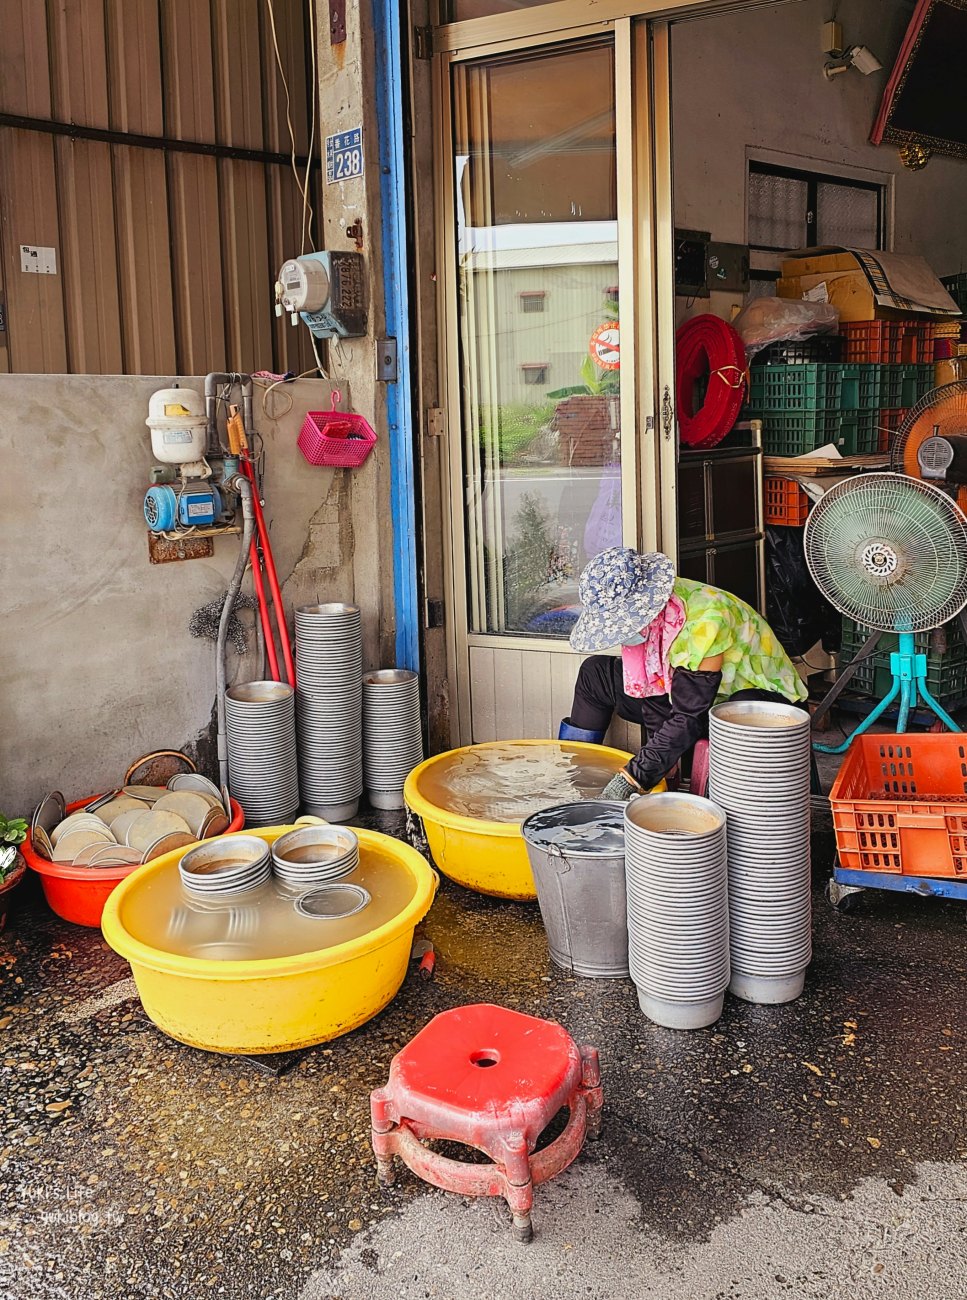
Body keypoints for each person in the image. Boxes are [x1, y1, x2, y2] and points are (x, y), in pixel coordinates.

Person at [559, 547, 808, 801]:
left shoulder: (706, 621)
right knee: (595, 673)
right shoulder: (656, 616)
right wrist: (661, 761)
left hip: (760, 710)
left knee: (737, 710)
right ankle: (576, 780)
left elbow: (689, 716)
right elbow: (656, 691)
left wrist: (632, 778)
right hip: (690, 698)